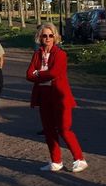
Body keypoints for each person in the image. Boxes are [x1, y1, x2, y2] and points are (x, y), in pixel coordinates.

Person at [26, 23, 88, 173]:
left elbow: (54, 73)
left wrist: (38, 74)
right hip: (43, 95)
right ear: (39, 37)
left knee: (64, 129)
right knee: (48, 130)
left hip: (60, 96)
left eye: (50, 35)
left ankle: (79, 159)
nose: (47, 38)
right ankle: (56, 161)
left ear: (55, 37)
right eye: (44, 35)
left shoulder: (60, 54)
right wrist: (39, 74)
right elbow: (28, 74)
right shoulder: (37, 54)